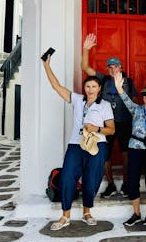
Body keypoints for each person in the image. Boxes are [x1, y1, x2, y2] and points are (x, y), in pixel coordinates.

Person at [41, 53, 115, 231]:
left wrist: (95, 128)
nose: (90, 89)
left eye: (94, 86)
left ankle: (87, 212)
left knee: (91, 180)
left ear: (99, 89)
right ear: (85, 88)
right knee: (67, 177)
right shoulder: (77, 99)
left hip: (97, 145)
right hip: (76, 144)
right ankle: (65, 216)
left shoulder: (104, 105)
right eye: (88, 86)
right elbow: (56, 86)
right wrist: (46, 65)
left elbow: (111, 129)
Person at [81, 33, 136, 198]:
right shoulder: (103, 79)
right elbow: (85, 67)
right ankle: (110, 184)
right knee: (105, 153)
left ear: (120, 68)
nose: (113, 70)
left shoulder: (129, 82)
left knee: (126, 152)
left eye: (116, 67)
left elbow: (133, 103)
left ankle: (126, 183)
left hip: (125, 122)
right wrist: (86, 49)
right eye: (110, 67)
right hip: (106, 123)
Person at [114, 77, 146, 227]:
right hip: (135, 147)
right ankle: (136, 213)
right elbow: (125, 99)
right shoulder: (136, 109)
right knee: (133, 180)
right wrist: (119, 87)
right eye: (144, 95)